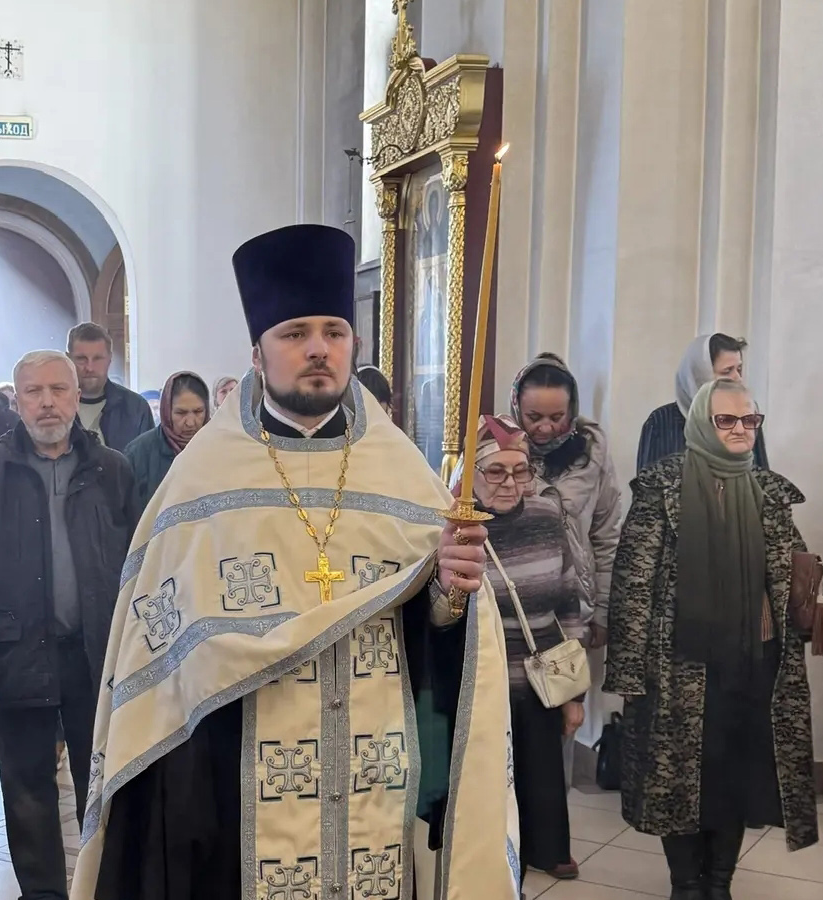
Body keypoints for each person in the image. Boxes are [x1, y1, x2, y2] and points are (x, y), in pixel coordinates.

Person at [75, 224, 516, 900]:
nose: (318, 348)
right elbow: (161, 658)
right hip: (241, 787)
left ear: (354, 346)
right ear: (257, 353)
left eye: (334, 332)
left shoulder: (402, 474)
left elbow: (434, 635)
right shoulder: (203, 481)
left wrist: (451, 595)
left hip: (379, 771)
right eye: (294, 333)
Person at [606, 379, 818, 900]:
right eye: (727, 420)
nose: (741, 429)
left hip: (753, 662)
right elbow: (633, 582)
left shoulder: (769, 491)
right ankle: (686, 883)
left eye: (750, 419)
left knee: (736, 776)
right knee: (678, 780)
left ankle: (720, 881)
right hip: (679, 666)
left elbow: (792, 563)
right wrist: (630, 673)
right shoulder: (662, 487)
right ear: (702, 423)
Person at [0, 349, 139, 900]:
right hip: (16, 655)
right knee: (27, 792)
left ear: (78, 397)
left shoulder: (112, 470)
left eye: (59, 389)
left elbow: (138, 566)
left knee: (100, 787)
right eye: (34, 391)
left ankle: (99, 888)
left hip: (95, 657)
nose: (48, 402)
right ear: (17, 399)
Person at [452, 414, 586, 882]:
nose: (510, 483)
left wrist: (574, 693)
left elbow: (569, 600)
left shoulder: (548, 516)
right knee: (487, 801)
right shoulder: (455, 526)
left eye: (521, 470)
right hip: (479, 687)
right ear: (473, 473)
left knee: (540, 788)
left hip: (539, 682)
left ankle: (535, 862)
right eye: (495, 471)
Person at [509, 353, 621, 648]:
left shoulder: (593, 455)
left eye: (556, 417)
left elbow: (606, 537)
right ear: (517, 407)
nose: (545, 428)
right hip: (513, 610)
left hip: (576, 608)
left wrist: (602, 612)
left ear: (572, 410)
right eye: (534, 417)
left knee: (569, 692)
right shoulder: (499, 453)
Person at [636, 334, 768, 472]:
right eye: (727, 371)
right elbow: (647, 487)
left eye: (739, 370)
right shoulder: (661, 422)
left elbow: (764, 482)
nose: (738, 379)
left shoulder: (748, 419)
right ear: (699, 375)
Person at [122, 371, 210, 506]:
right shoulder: (139, 454)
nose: (191, 422)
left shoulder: (219, 449)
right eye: (181, 413)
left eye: (198, 412)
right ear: (166, 411)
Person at [67, 321, 154, 451]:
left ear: (109, 359)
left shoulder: (136, 407)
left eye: (97, 358)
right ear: (68, 359)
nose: (90, 368)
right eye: (81, 359)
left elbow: (147, 461)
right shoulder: (55, 406)